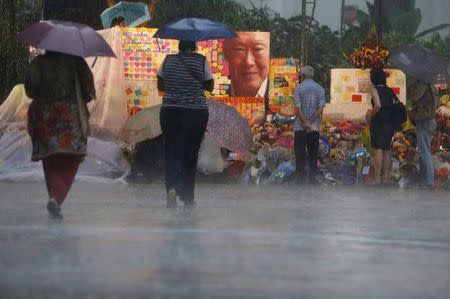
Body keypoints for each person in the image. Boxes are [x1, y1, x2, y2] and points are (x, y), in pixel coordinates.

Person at [25, 51, 96, 218]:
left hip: (42, 117)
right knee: (71, 158)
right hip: (69, 117)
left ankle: (53, 197)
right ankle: (56, 198)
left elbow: (29, 91)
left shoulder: (37, 63)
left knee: (50, 158)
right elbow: (89, 92)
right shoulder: (77, 62)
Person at [157, 40, 214, 208]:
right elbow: (210, 86)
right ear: (194, 47)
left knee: (172, 150)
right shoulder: (201, 61)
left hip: (170, 111)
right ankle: (188, 196)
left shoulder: (168, 60)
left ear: (179, 47)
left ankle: (172, 188)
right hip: (195, 113)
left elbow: (160, 84)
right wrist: (195, 83)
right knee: (190, 153)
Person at [293, 65, 326, 184]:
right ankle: (312, 177)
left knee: (300, 152)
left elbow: (297, 108)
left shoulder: (298, 88)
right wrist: (310, 122)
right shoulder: (320, 89)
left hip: (300, 127)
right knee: (313, 153)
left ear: (302, 75)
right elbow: (320, 108)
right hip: (314, 127)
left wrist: (304, 122)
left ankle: (300, 178)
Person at [408, 78, 439, 189]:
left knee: (424, 152)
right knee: (426, 151)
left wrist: (413, 87)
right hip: (430, 120)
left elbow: (415, 97)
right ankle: (427, 180)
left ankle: (428, 181)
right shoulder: (433, 86)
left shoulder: (423, 85)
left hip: (424, 120)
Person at [365, 68, 395, 185]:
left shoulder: (374, 89)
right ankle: (386, 178)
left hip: (379, 122)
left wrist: (369, 115)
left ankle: (377, 179)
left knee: (378, 149)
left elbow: (377, 105)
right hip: (390, 122)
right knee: (387, 149)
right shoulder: (389, 90)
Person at [223, 31, 270, 98]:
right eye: (239, 50)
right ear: (226, 54)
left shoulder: (284, 94)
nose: (248, 62)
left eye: (258, 49)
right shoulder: (212, 93)